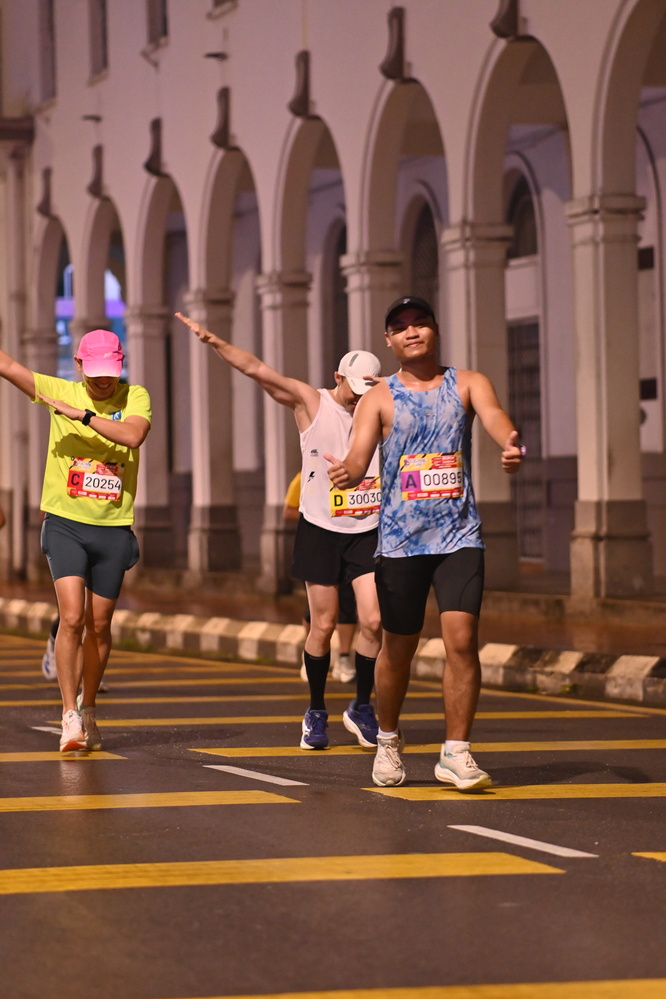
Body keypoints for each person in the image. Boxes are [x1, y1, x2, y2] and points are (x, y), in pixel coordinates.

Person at [326, 296, 524, 790]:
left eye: (420, 323)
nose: (411, 332)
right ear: (389, 340)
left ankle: (456, 752)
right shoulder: (379, 397)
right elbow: (358, 458)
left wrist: (509, 441)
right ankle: (387, 739)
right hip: (401, 542)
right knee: (399, 648)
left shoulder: (468, 382)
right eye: (400, 327)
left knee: (462, 640)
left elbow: (495, 416)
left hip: (460, 535)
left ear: (435, 329)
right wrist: (346, 473)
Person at [176, 311, 382, 750]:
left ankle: (362, 706)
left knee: (373, 620)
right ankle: (316, 711)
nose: (358, 401)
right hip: (320, 529)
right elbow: (258, 370)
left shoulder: (380, 408)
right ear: (338, 378)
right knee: (323, 624)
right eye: (354, 391)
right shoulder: (312, 403)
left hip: (367, 528)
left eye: (368, 392)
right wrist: (214, 341)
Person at [0, 329, 151, 752]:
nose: (103, 380)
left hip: (113, 527)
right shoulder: (59, 390)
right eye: (94, 371)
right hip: (65, 523)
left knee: (100, 626)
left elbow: (133, 436)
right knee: (71, 617)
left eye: (110, 371)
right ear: (80, 364)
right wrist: (66, 405)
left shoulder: (134, 396)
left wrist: (81, 415)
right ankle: (69, 715)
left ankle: (89, 708)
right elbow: (8, 365)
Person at [283, 471, 357, 683]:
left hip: (349, 543)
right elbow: (288, 511)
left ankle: (344, 657)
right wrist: (318, 515)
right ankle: (311, 654)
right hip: (318, 544)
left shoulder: (356, 472)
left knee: (347, 603)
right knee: (316, 608)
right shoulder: (305, 475)